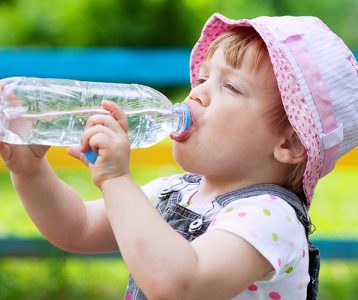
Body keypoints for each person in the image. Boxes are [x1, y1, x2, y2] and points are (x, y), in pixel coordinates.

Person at [0, 13, 357, 300]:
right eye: (202, 79)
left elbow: (180, 284)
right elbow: (76, 227)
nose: (198, 94)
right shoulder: (175, 192)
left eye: (230, 86)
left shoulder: (272, 219)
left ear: (290, 144)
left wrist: (116, 181)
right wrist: (31, 173)